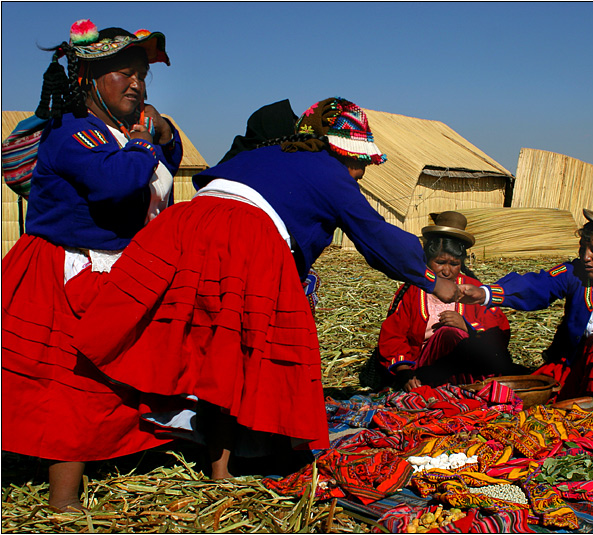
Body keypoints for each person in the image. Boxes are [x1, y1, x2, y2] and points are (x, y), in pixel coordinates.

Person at [72, 97, 462, 480]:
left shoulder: (265, 153)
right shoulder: (328, 172)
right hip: (242, 239)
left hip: (181, 227)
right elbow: (377, 238)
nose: (359, 171)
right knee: (239, 354)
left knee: (189, 342)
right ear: (332, 148)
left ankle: (139, 442)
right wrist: (431, 279)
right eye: (356, 159)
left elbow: (211, 181)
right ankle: (227, 464)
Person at [1, 20, 182, 511]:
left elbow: (163, 160)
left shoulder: (118, 131)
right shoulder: (73, 133)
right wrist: (147, 140)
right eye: (122, 73)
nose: (137, 83)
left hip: (116, 269)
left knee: (122, 377)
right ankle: (64, 503)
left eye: (141, 73)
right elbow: (115, 183)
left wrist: (164, 132)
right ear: (87, 81)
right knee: (72, 383)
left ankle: (137, 453)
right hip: (68, 272)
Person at [460, 200, 593, 401]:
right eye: (583, 248)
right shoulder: (575, 273)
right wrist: (485, 294)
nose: (586, 256)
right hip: (573, 365)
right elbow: (539, 285)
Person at [377, 211, 530, 392]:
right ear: (427, 260)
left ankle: (472, 387)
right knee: (447, 334)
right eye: (440, 262)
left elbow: (498, 331)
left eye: (454, 264)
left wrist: (466, 327)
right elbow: (393, 336)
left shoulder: (474, 290)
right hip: (424, 369)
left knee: (453, 334)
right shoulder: (412, 291)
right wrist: (404, 373)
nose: (447, 271)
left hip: (470, 365)